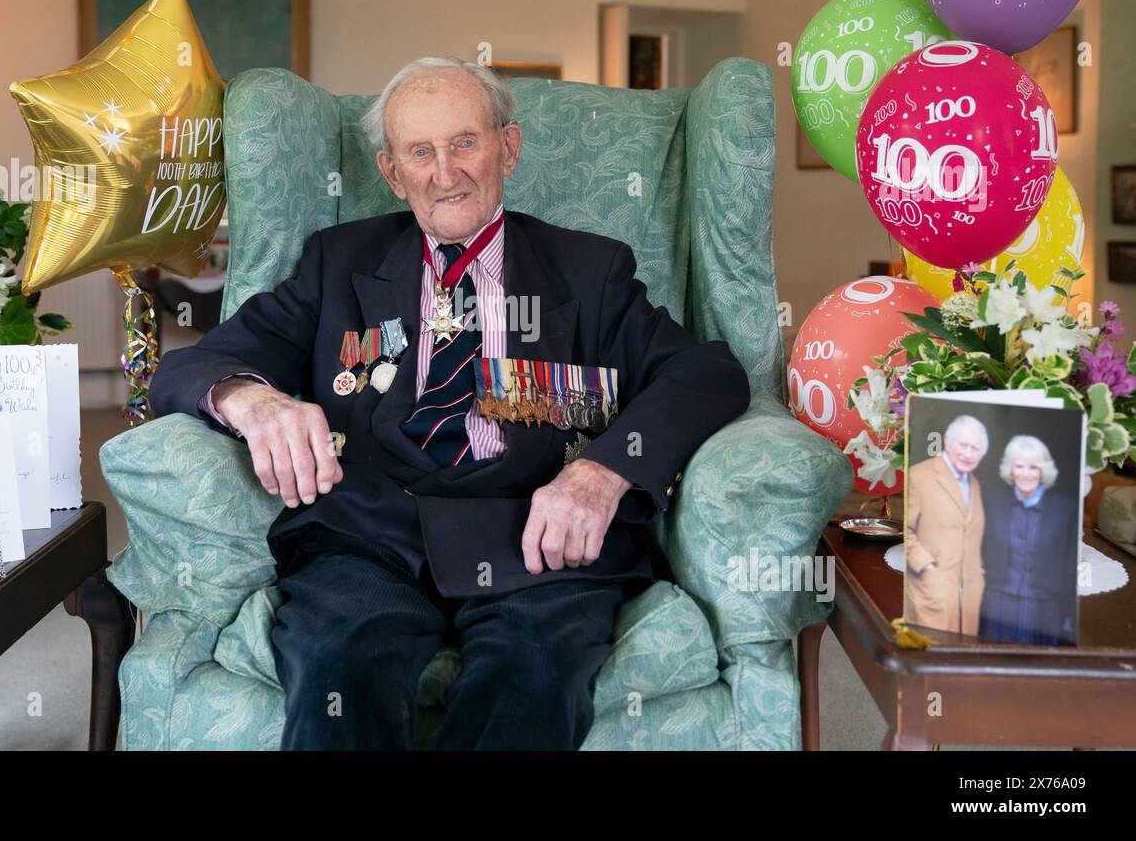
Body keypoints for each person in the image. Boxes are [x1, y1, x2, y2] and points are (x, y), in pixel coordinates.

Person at [147, 56, 751, 750]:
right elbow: (194, 365)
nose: (445, 171)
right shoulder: (337, 264)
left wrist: (602, 472)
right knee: (336, 674)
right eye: (420, 152)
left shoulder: (590, 270)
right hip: (367, 537)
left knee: (530, 681)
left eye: (465, 142)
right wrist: (250, 401)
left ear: (508, 148)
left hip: (539, 540)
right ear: (391, 171)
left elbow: (706, 374)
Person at [978, 435, 1077, 645]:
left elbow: (1070, 565)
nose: (1025, 474)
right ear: (1010, 469)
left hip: (1044, 607)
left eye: (1033, 467)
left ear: (1044, 471)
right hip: (998, 602)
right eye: (1019, 466)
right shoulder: (992, 501)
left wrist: (1068, 611)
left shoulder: (1066, 508)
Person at [904, 414, 988, 635]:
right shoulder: (920, 475)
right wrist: (927, 567)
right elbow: (905, 529)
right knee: (930, 659)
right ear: (948, 442)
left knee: (961, 663)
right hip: (932, 587)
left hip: (968, 595)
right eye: (963, 445)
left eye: (975, 448)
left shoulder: (975, 484)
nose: (968, 453)